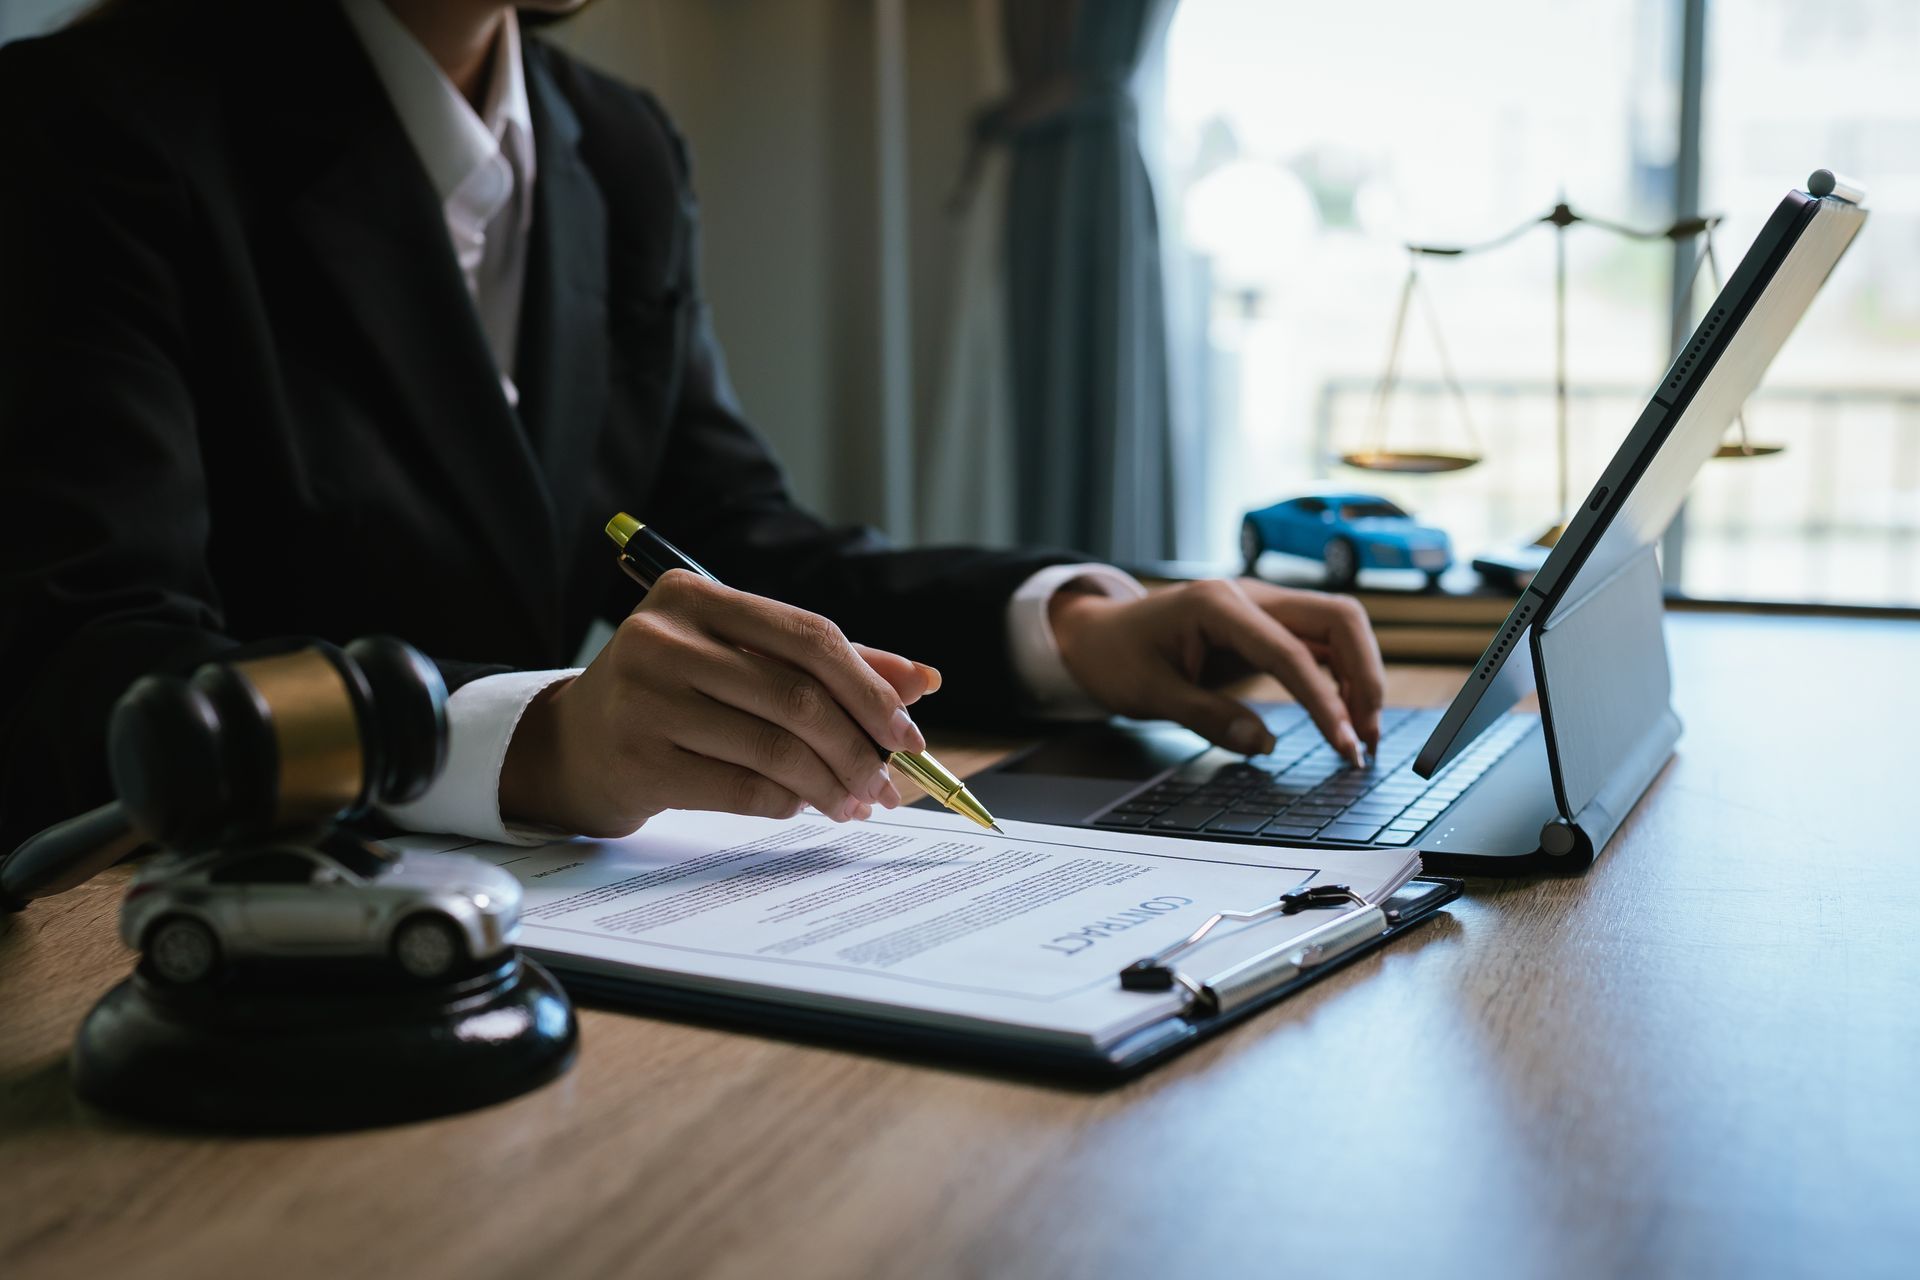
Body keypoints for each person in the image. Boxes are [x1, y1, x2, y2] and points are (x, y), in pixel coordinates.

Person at [0, 0, 1383, 854]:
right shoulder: (90, 131)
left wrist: (1072, 625)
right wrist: (538, 743)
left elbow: (738, 540)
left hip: (544, 935)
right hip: (200, 949)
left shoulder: (620, 149)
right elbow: (93, 662)